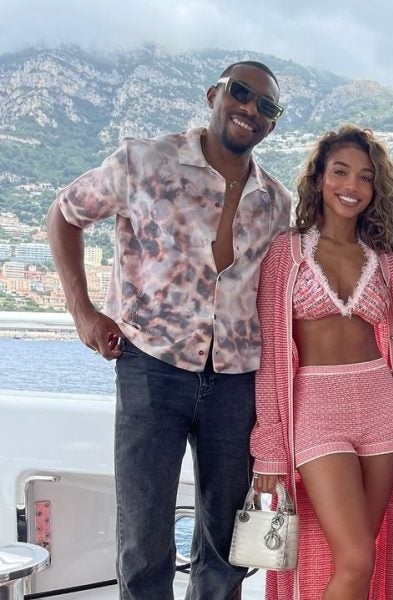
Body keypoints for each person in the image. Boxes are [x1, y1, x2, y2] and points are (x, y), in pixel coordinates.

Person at [46, 61, 291, 599]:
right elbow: (64, 215)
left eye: (266, 105)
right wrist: (83, 312)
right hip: (150, 365)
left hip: (236, 379)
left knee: (226, 544)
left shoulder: (276, 203)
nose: (251, 108)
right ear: (214, 94)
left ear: (272, 125)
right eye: (241, 92)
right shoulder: (144, 161)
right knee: (143, 537)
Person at [250, 125, 393, 600]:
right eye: (340, 172)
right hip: (316, 409)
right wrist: (269, 448)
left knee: (367, 556)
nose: (351, 186)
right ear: (318, 178)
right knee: (354, 557)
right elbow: (272, 356)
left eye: (364, 177)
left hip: (381, 405)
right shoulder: (286, 254)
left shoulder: (388, 262)